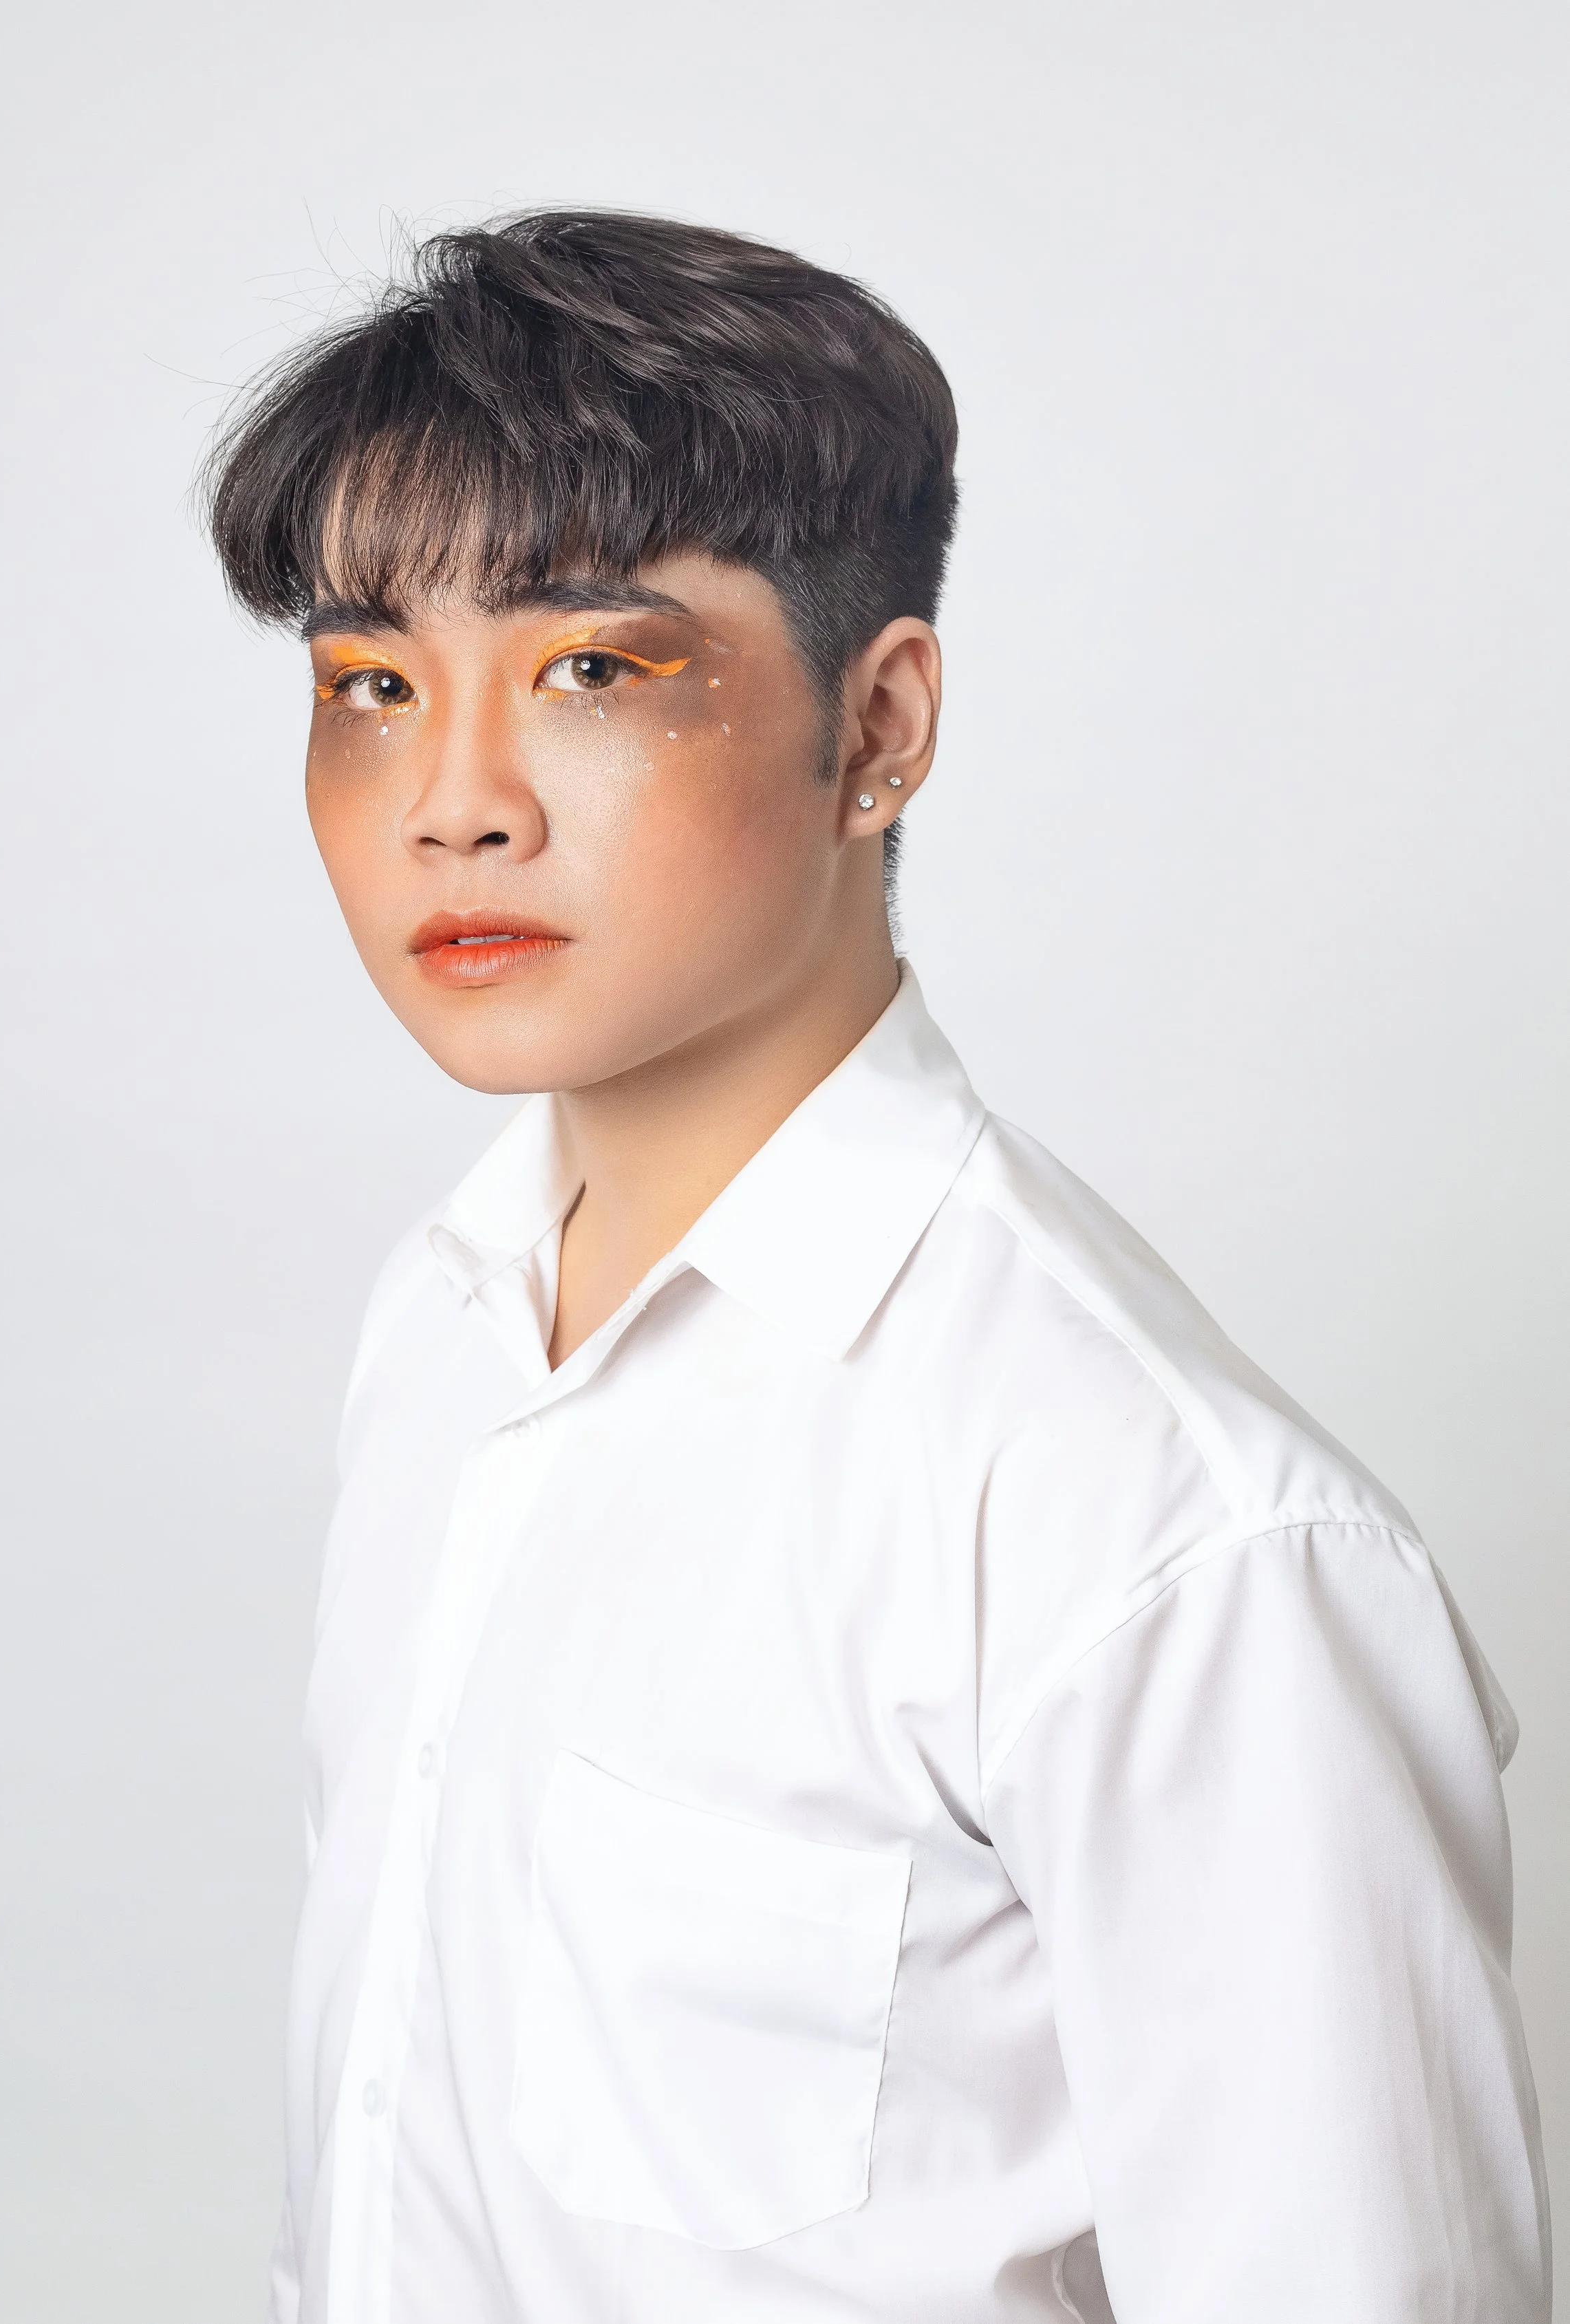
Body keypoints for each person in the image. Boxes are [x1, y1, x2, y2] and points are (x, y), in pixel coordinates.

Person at [204, 211, 1549, 2324]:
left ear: (880, 725)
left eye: (589, 668)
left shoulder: (1162, 1531)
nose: (449, 803)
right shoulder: (442, 1330)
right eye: (371, 684)